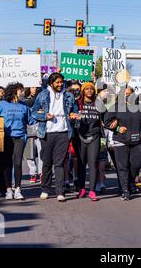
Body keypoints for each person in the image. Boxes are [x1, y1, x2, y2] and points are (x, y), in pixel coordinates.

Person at [31, 73, 79, 202]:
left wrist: (74, 116)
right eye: (57, 82)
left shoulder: (68, 96)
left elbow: (76, 111)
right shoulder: (43, 95)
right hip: (46, 133)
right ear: (51, 83)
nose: (59, 84)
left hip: (63, 132)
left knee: (60, 163)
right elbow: (33, 112)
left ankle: (60, 191)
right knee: (46, 163)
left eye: (61, 82)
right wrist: (44, 116)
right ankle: (45, 189)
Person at [104, 86, 141, 201]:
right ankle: (125, 190)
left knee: (136, 164)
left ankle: (131, 182)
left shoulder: (140, 107)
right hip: (121, 140)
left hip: (136, 141)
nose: (127, 96)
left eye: (129, 94)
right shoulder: (117, 107)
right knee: (123, 166)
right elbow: (106, 121)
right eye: (125, 94)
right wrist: (117, 128)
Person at [0, 83, 35, 200]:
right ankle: (8, 189)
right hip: (6, 137)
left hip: (20, 137)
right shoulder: (1, 105)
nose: (23, 92)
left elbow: (31, 121)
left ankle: (17, 189)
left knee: (17, 163)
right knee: (7, 164)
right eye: (20, 90)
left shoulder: (24, 106)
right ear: (13, 92)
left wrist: (43, 115)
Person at [72, 82, 102, 201]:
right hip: (80, 137)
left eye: (91, 89)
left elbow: (105, 118)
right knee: (81, 164)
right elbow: (70, 114)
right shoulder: (78, 104)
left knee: (93, 163)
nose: (89, 91)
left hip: (94, 136)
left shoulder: (99, 104)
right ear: (83, 91)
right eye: (87, 89)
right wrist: (73, 116)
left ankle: (92, 191)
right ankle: (82, 188)